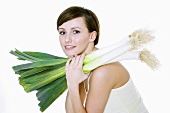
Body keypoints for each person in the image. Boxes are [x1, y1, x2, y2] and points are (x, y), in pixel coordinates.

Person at [57, 6, 149, 113]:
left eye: (76, 32)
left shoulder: (103, 71)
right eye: (62, 32)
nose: (67, 39)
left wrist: (72, 84)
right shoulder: (80, 67)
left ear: (92, 36)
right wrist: (73, 82)